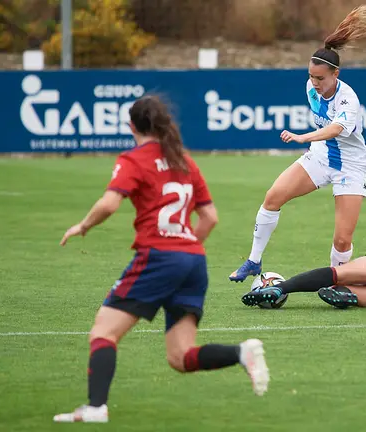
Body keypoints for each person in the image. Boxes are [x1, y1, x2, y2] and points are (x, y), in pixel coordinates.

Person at [54, 95, 270, 424]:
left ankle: (96, 407)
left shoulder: (134, 159)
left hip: (159, 256)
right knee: (180, 357)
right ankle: (242, 353)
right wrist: (185, 250)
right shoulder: (182, 160)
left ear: (131, 127)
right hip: (193, 261)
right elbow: (209, 218)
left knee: (103, 333)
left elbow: (110, 204)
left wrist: (83, 225)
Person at [229, 5, 366, 282]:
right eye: (311, 76)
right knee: (273, 197)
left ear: (336, 75)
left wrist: (303, 137)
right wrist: (311, 142)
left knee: (343, 240)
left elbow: (336, 128)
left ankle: (339, 283)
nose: (314, 82)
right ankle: (253, 261)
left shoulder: (348, 98)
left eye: (320, 78)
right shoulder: (311, 87)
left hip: (351, 166)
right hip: (321, 157)